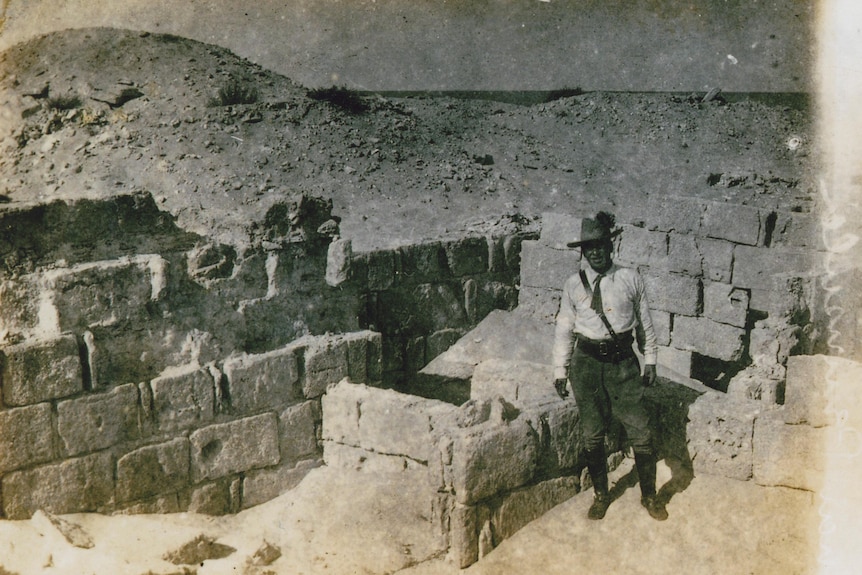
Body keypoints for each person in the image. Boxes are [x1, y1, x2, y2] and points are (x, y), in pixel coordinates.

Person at [551, 211, 667, 521]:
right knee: (592, 434)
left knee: (641, 432)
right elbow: (564, 327)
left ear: (610, 246)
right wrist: (560, 370)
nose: (596, 252)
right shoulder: (573, 284)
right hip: (585, 364)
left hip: (622, 365)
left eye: (600, 245)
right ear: (583, 252)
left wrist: (651, 359)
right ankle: (601, 495)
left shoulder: (630, 278)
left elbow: (645, 324)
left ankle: (650, 496)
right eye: (589, 248)